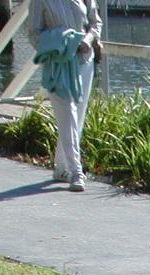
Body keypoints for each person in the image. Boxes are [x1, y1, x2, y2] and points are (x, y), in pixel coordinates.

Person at [29, 0, 101, 192]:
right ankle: (76, 171)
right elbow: (34, 34)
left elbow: (95, 22)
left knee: (76, 117)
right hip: (58, 64)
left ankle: (61, 168)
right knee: (67, 113)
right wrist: (60, 42)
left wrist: (87, 40)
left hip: (85, 61)